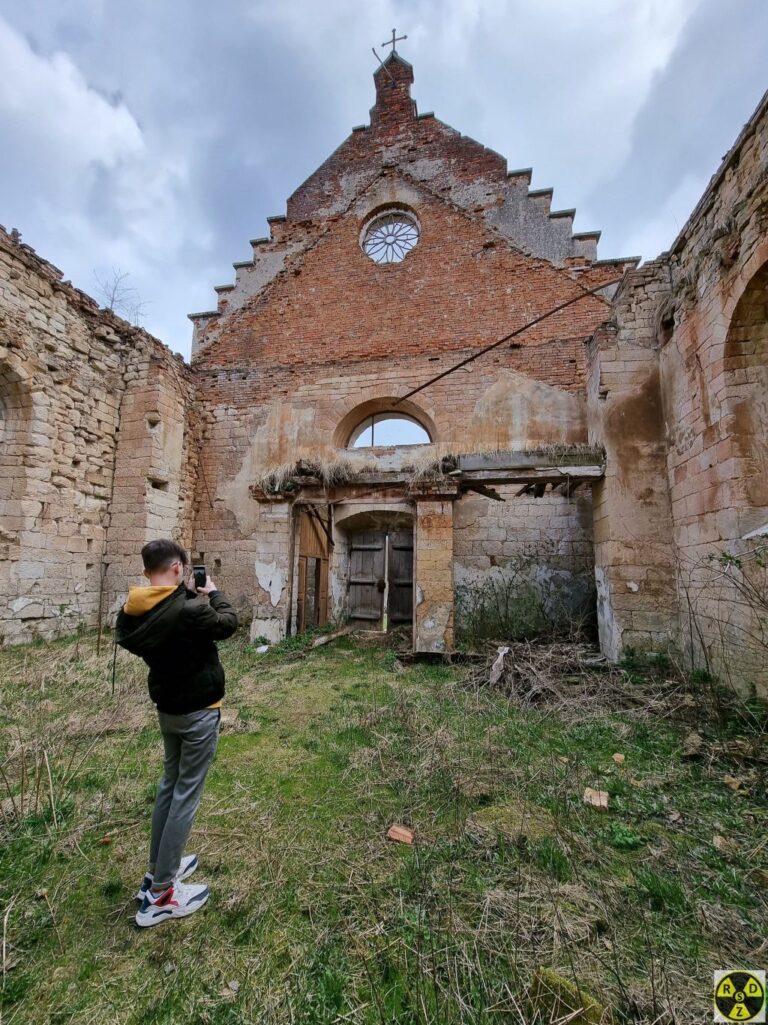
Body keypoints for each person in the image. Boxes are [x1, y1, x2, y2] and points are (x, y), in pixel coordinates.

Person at [115, 539, 238, 928]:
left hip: (168, 710)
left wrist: (186, 598)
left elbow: (176, 619)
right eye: (183, 569)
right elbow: (228, 623)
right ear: (176, 569)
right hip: (199, 712)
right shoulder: (186, 611)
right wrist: (213, 593)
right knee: (185, 794)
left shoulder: (135, 612)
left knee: (170, 786)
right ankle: (162, 894)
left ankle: (157, 870)